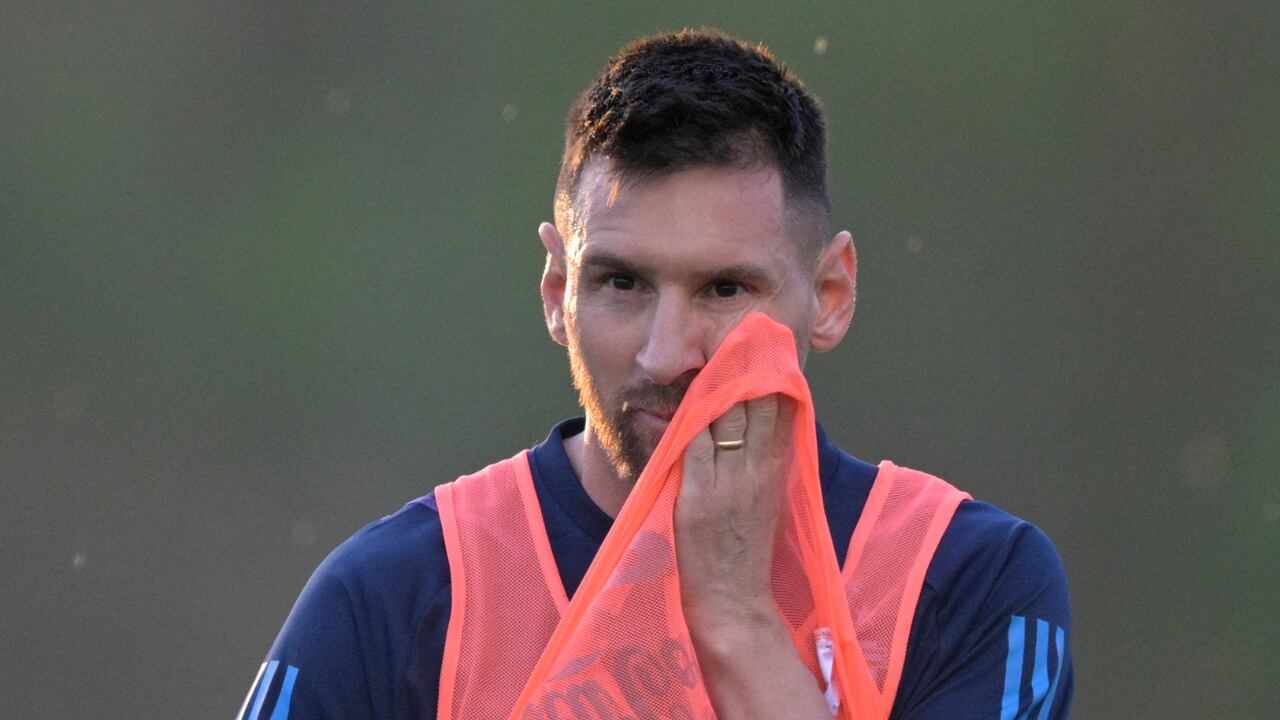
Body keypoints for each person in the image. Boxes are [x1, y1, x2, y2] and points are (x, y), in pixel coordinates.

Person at [239, 29, 1072, 720]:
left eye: (724, 289)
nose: (667, 354)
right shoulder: (400, 595)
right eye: (623, 283)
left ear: (829, 295)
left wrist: (738, 623)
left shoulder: (965, 579)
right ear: (558, 293)